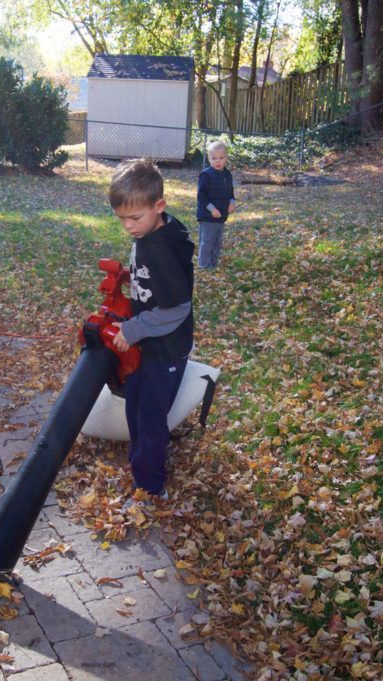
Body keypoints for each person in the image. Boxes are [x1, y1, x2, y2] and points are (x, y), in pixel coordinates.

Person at [108, 159, 195, 499]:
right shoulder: (152, 231)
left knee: (149, 417)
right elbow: (156, 279)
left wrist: (134, 329)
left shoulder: (159, 248)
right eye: (122, 219)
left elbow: (177, 308)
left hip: (166, 349)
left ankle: (149, 485)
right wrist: (134, 276)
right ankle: (141, 463)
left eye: (135, 218)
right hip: (150, 346)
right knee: (136, 405)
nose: (128, 226)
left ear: (159, 206)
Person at [196, 141, 236, 270]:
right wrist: (211, 209)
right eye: (214, 158)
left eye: (221, 158)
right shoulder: (206, 175)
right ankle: (204, 265)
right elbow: (201, 196)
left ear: (226, 158)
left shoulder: (227, 174)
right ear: (209, 158)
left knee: (217, 242)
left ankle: (213, 264)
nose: (218, 161)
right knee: (207, 241)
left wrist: (232, 202)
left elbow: (231, 192)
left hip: (221, 215)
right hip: (207, 216)